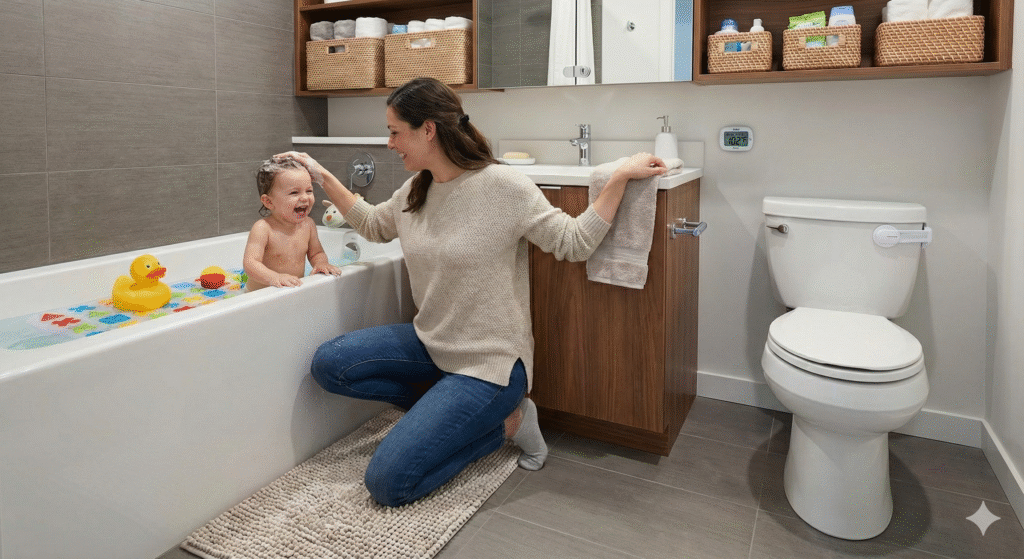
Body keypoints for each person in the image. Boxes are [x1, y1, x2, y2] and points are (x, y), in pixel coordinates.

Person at [277, 77, 666, 507]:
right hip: (432, 342)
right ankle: (446, 410)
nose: (389, 143)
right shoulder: (416, 189)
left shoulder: (504, 186)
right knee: (331, 364)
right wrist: (320, 174)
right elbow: (373, 224)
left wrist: (619, 177)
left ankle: (508, 424)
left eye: (394, 131)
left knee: (388, 482)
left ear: (428, 130)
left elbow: (573, 241)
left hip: (491, 363)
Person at [242, 157, 342, 292]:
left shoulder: (308, 225)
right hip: (259, 296)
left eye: (309, 191)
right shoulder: (263, 228)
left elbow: (316, 253)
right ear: (269, 202)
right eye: (294, 192)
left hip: (290, 291)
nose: (305, 197)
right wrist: (274, 277)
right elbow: (251, 263)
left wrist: (321, 263)